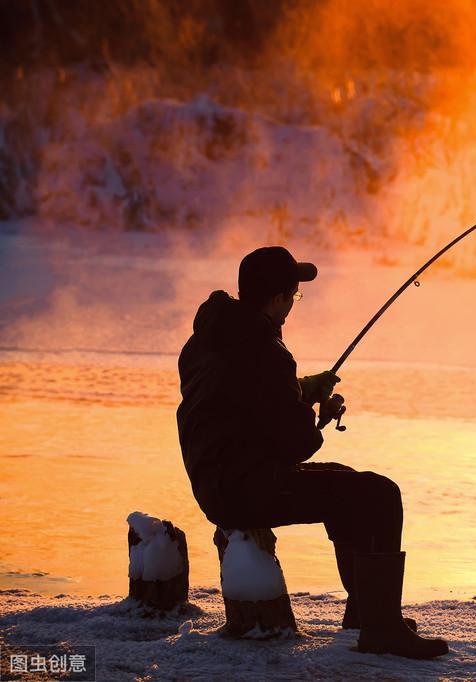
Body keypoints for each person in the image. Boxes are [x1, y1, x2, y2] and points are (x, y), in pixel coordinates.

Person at [176, 246, 447, 659]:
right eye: (293, 296)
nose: (292, 306)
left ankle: (368, 615)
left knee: (346, 481)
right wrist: (316, 409)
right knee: (380, 495)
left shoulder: (209, 338)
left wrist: (300, 389)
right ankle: (380, 628)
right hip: (245, 488)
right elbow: (297, 443)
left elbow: (242, 399)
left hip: (215, 478)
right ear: (278, 298)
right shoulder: (266, 350)